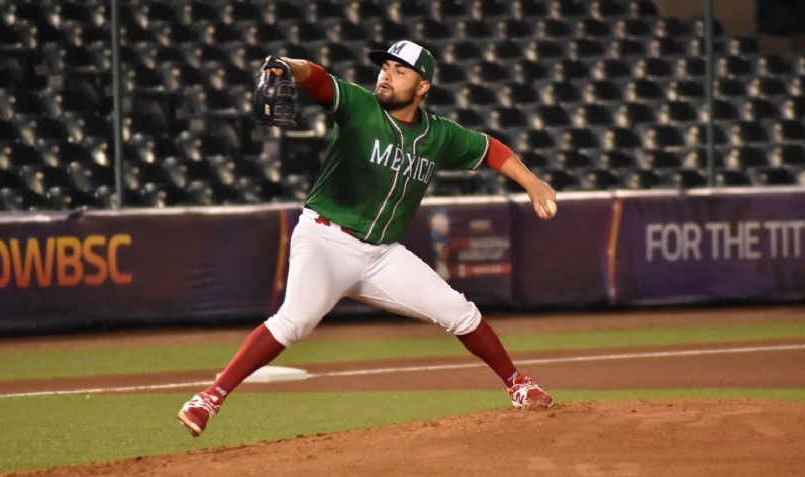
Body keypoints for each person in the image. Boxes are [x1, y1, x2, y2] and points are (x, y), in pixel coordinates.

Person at [177, 40, 558, 437]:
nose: (386, 75)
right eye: (385, 67)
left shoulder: (439, 135)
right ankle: (208, 398)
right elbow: (319, 79)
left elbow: (490, 149)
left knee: (459, 312)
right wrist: (285, 66)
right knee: (295, 321)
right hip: (326, 239)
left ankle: (519, 384)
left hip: (381, 255)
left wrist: (533, 183)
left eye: (400, 70)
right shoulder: (360, 106)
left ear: (423, 87)